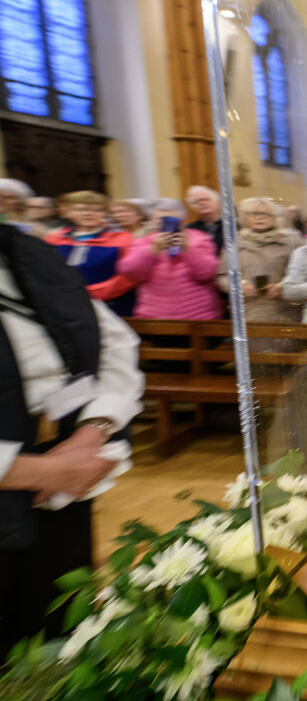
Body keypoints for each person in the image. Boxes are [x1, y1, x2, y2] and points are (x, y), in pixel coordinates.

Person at [0, 222, 142, 655]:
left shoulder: (24, 252)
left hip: (65, 474)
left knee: (59, 624)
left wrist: (94, 429)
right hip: (22, 478)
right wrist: (29, 471)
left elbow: (113, 340)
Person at [118, 199, 222, 319]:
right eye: (159, 221)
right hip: (154, 317)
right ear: (152, 221)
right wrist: (152, 250)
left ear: (184, 222)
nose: (165, 226)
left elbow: (207, 273)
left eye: (172, 221)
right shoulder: (143, 242)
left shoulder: (200, 239)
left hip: (199, 316)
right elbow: (130, 272)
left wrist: (188, 249)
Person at [44, 191, 138, 317]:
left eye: (97, 209)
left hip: (112, 306)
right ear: (68, 213)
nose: (88, 213)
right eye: (81, 209)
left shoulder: (124, 238)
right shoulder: (54, 239)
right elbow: (46, 272)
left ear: (105, 213)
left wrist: (91, 293)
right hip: (65, 305)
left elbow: (129, 275)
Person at [215, 198, 303, 323]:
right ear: (245, 218)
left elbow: (303, 272)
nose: (259, 218)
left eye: (265, 214)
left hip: (285, 309)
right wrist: (240, 286)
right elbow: (223, 276)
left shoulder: (292, 241)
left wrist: (282, 286)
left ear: (275, 218)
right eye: (254, 214)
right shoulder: (235, 243)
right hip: (250, 310)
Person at [185, 185, 224, 254]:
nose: (202, 203)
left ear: (217, 203)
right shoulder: (190, 230)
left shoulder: (230, 225)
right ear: (192, 207)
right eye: (197, 202)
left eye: (206, 199)